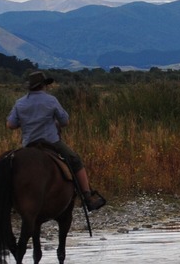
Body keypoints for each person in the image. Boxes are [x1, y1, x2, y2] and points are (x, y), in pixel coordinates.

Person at [7, 70, 106, 211]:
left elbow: (10, 125)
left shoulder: (20, 103)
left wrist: (26, 121)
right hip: (51, 143)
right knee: (75, 160)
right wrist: (55, 123)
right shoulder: (51, 100)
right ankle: (87, 197)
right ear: (43, 86)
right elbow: (65, 121)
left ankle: (9, 201)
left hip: (29, 145)